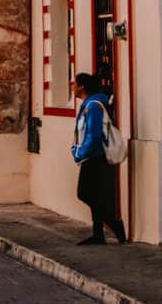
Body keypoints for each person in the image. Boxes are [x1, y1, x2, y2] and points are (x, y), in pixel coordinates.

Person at [72, 72, 127, 245]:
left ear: (82, 87)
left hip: (95, 156)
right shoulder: (91, 104)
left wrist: (81, 153)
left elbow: (94, 135)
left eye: (75, 83)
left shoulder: (94, 106)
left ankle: (114, 224)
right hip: (92, 155)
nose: (72, 86)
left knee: (85, 193)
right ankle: (98, 234)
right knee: (94, 194)